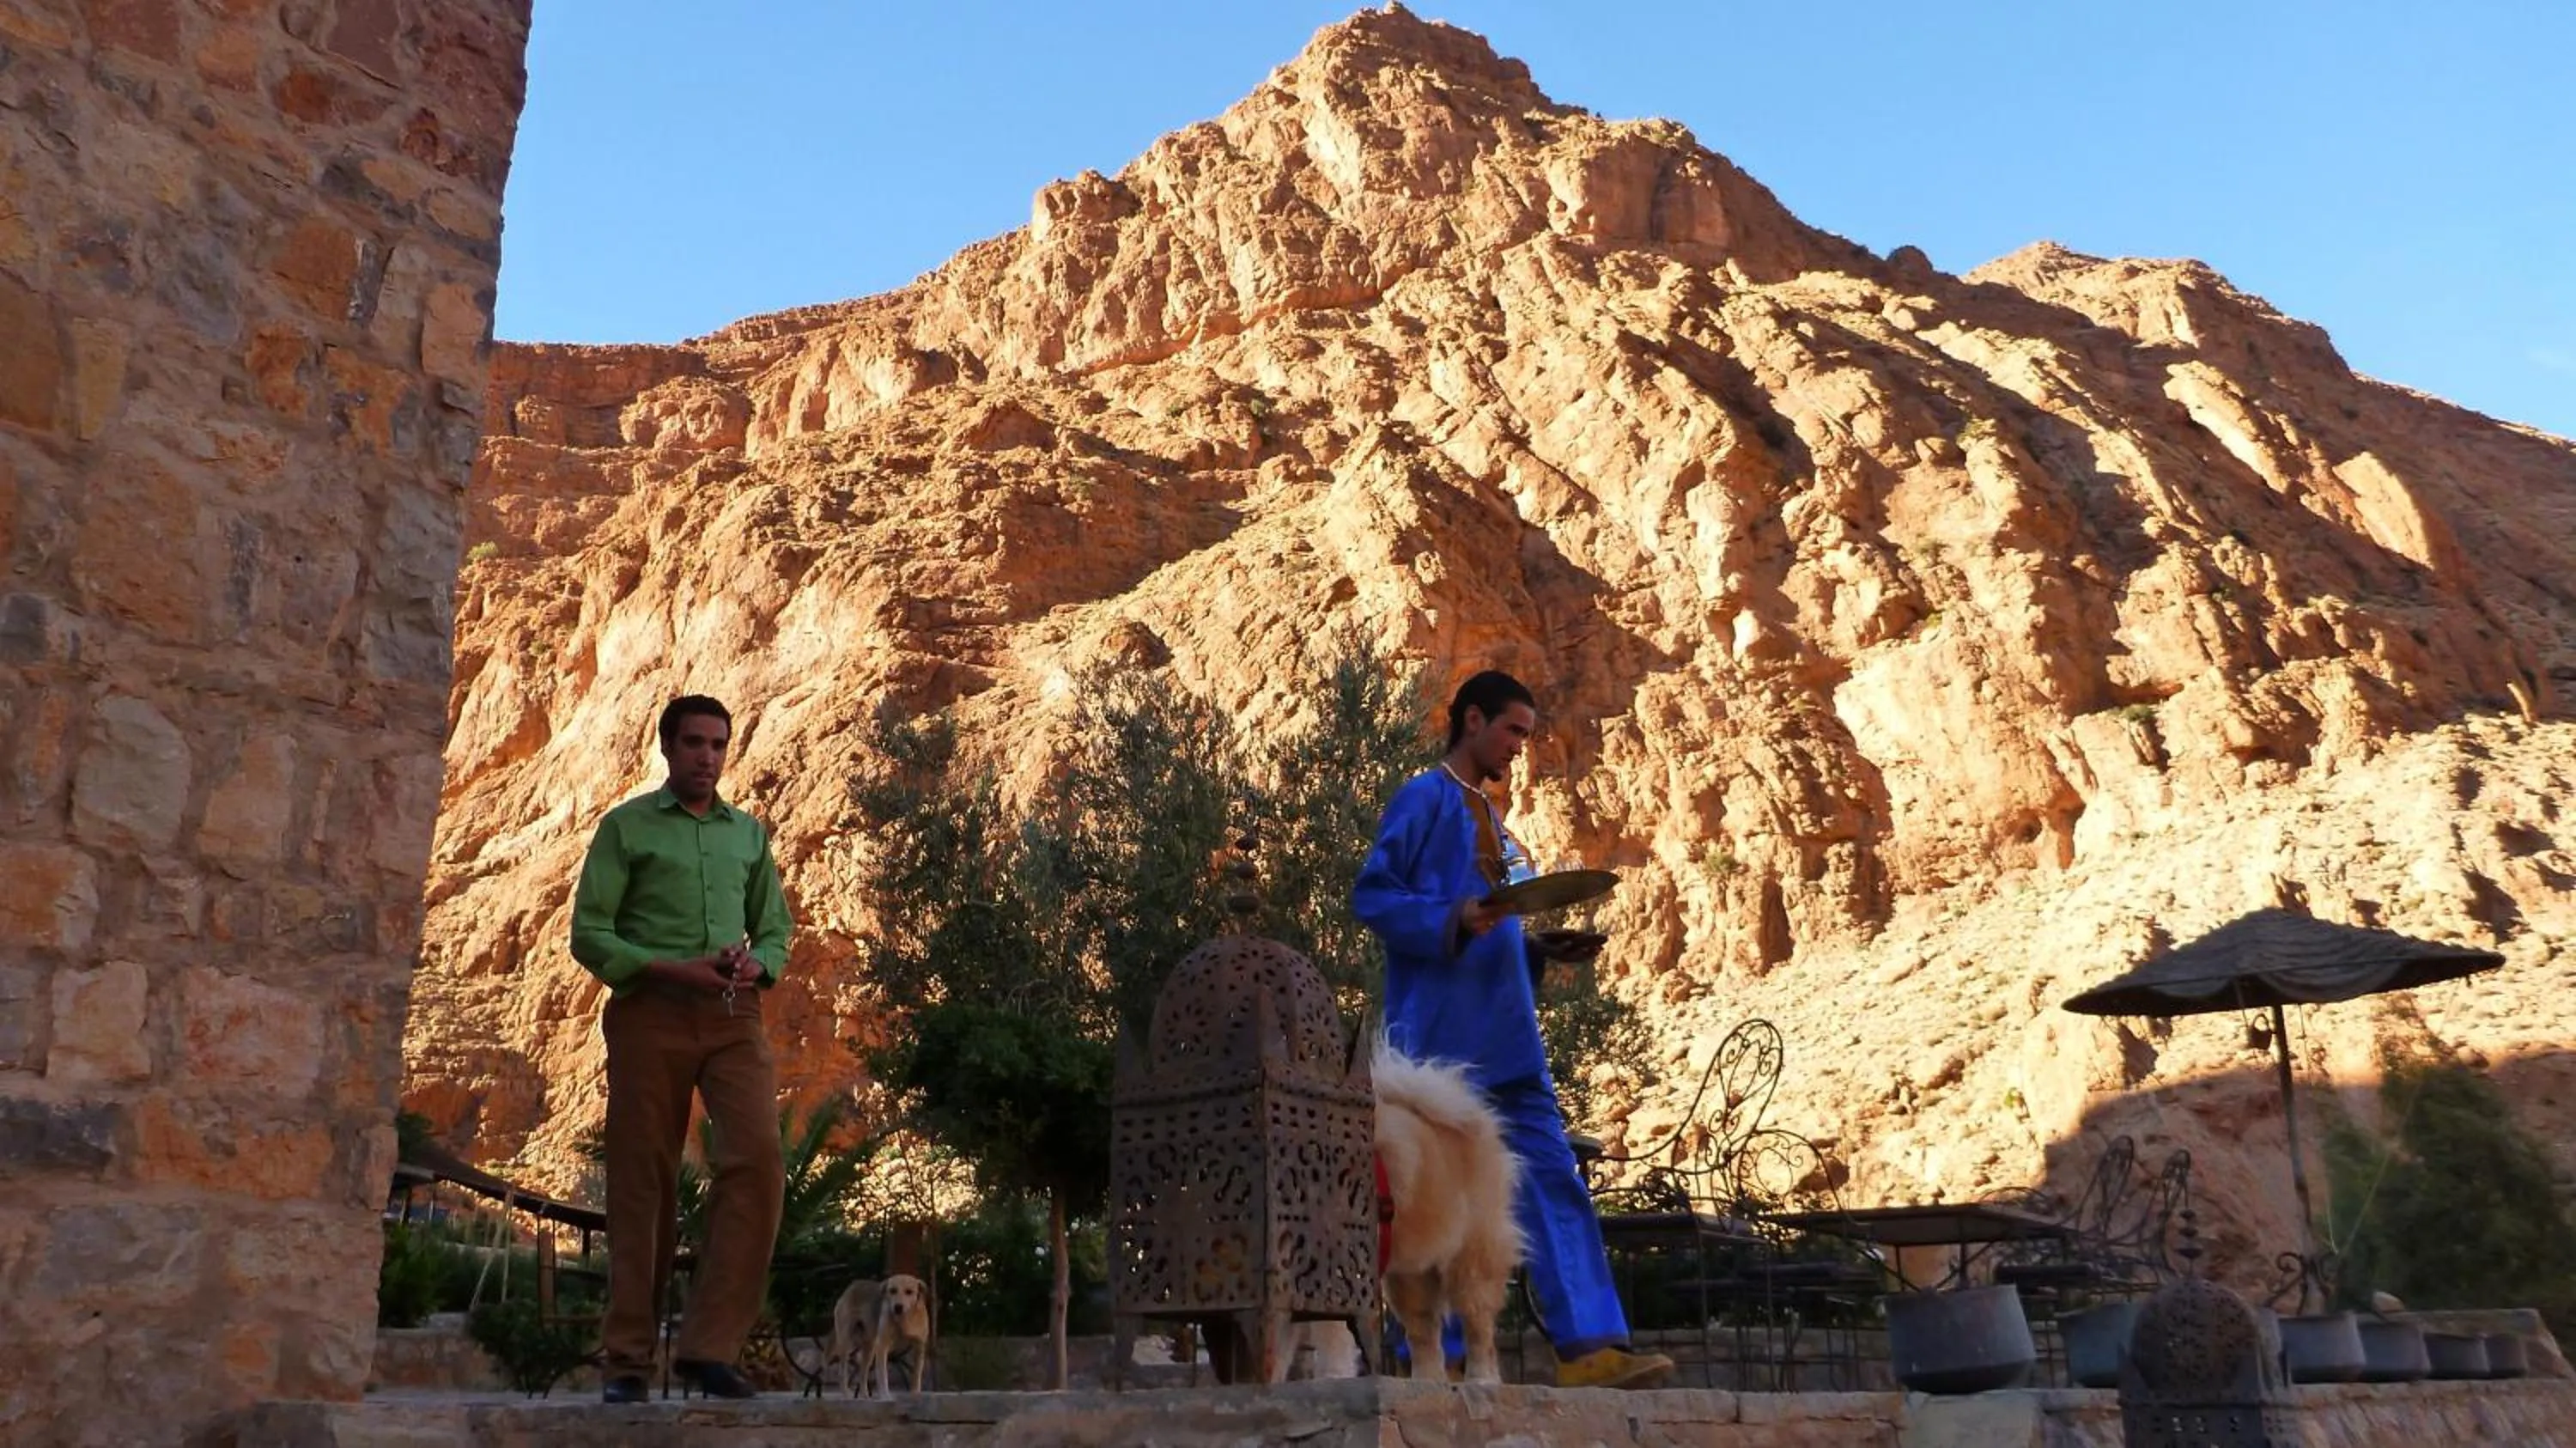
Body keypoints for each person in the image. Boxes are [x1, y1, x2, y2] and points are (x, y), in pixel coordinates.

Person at [1352, 669, 1675, 1390]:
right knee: (1433, 1198)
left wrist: (1536, 950)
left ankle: (1590, 1346)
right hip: (1439, 1048)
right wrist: (1454, 919)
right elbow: (1373, 896)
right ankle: (1425, 1356)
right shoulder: (1425, 799)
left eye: (1527, 736)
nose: (1520, 749)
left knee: (1554, 1178)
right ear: (1472, 720)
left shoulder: (1497, 826)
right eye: (1512, 732)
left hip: (1510, 1042)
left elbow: (1496, 924)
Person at [570, 695, 793, 1402]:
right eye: (694, 743)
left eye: (719, 744)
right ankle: (629, 1359)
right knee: (644, 1180)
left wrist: (761, 963)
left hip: (734, 1015)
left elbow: (777, 930)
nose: (707, 756)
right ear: (666, 748)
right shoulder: (626, 828)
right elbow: (590, 934)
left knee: (757, 1163)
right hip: (650, 1015)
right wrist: (671, 968)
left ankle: (709, 1349)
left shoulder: (749, 835)